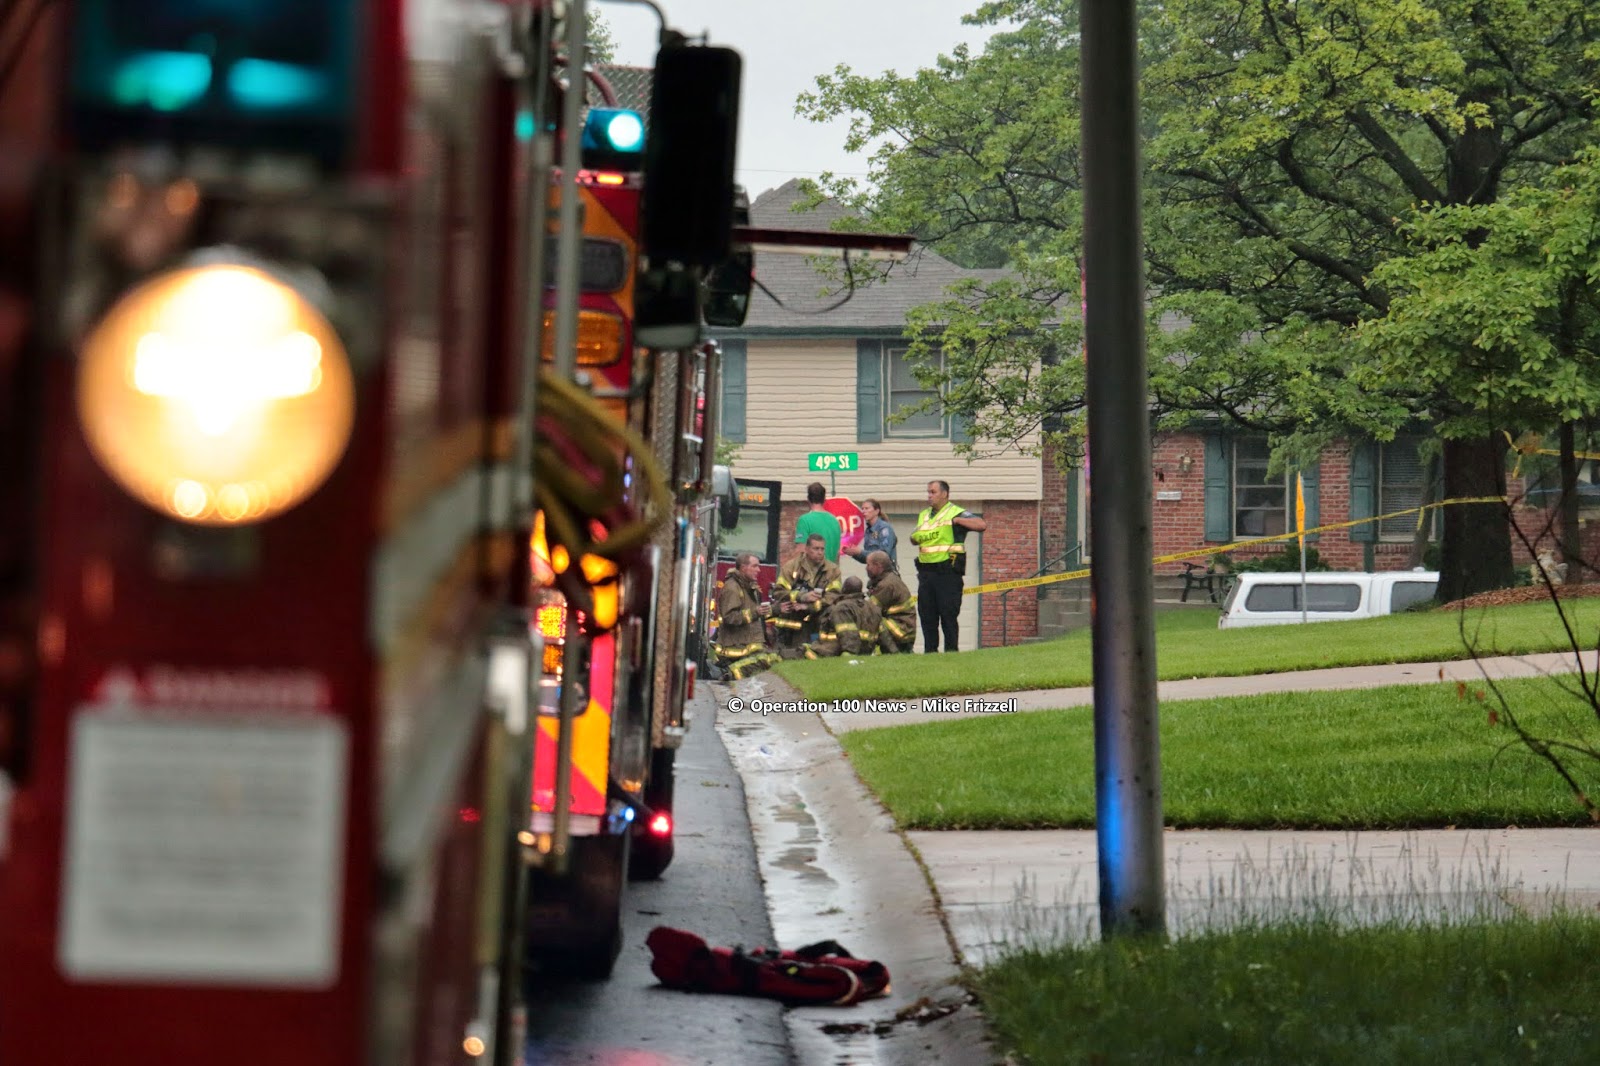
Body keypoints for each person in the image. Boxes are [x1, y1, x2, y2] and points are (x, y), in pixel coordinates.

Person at [909, 480, 986, 652]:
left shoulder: (955, 512)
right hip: (926, 574)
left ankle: (951, 653)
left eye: (933, 492)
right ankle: (930, 654)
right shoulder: (924, 515)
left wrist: (958, 521)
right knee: (927, 617)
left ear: (944, 494)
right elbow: (913, 537)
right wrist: (916, 537)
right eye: (928, 492)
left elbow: (981, 525)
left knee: (948, 616)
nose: (929, 495)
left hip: (947, 573)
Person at [771, 533, 841, 659]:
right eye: (816, 549)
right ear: (807, 549)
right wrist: (802, 596)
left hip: (818, 622)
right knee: (787, 657)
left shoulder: (833, 570)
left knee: (813, 658)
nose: (820, 552)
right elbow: (778, 593)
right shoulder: (791, 567)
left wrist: (809, 607)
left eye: (822, 549)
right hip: (791, 625)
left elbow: (834, 596)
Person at [712, 552, 780, 680]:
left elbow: (756, 615)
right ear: (743, 568)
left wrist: (777, 609)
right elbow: (729, 617)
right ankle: (726, 672)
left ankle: (727, 671)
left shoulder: (749, 587)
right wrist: (756, 612)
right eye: (754, 566)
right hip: (735, 646)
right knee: (766, 659)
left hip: (746, 643)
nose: (758, 570)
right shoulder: (732, 588)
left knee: (773, 657)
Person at [804, 576, 881, 659]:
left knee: (800, 652)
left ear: (844, 589)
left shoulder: (842, 607)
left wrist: (849, 654)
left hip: (830, 652)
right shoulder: (874, 608)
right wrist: (892, 650)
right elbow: (884, 634)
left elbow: (847, 633)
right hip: (865, 651)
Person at [865, 551, 916, 654]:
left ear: (878, 566)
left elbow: (869, 609)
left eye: (868, 565)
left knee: (874, 622)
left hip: (901, 629)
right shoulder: (890, 579)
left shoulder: (887, 585)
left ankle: (894, 652)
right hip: (904, 628)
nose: (866, 568)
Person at [793, 481, 841, 563]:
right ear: (824, 499)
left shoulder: (804, 520)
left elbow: (801, 551)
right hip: (831, 572)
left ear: (808, 499)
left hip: (812, 573)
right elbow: (837, 554)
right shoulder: (835, 521)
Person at [846, 498, 898, 569]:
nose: (864, 511)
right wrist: (854, 553)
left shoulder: (884, 528)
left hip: (886, 573)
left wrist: (860, 551)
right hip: (873, 574)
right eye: (862, 509)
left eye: (867, 508)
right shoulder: (868, 531)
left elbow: (884, 554)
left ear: (876, 511)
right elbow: (868, 559)